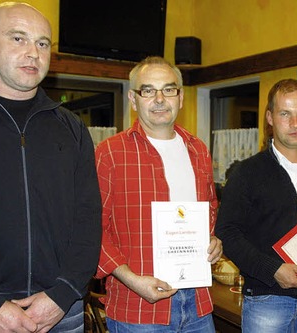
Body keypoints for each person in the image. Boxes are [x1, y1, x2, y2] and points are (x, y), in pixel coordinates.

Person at [0, 2, 102, 332]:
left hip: (62, 311)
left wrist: (63, 294)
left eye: (42, 43)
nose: (33, 52)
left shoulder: (72, 128)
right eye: (18, 38)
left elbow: (88, 219)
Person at [94, 56, 222, 332]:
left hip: (198, 304)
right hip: (137, 308)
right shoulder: (110, 154)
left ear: (181, 97)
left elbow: (210, 208)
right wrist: (131, 278)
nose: (160, 98)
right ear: (133, 99)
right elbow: (92, 228)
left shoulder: (198, 150)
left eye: (168, 89)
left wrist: (212, 240)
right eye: (148, 90)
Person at [215, 79, 297, 332]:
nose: (295, 123)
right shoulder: (247, 172)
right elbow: (227, 233)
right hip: (266, 300)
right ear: (270, 118)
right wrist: (273, 270)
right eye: (285, 113)